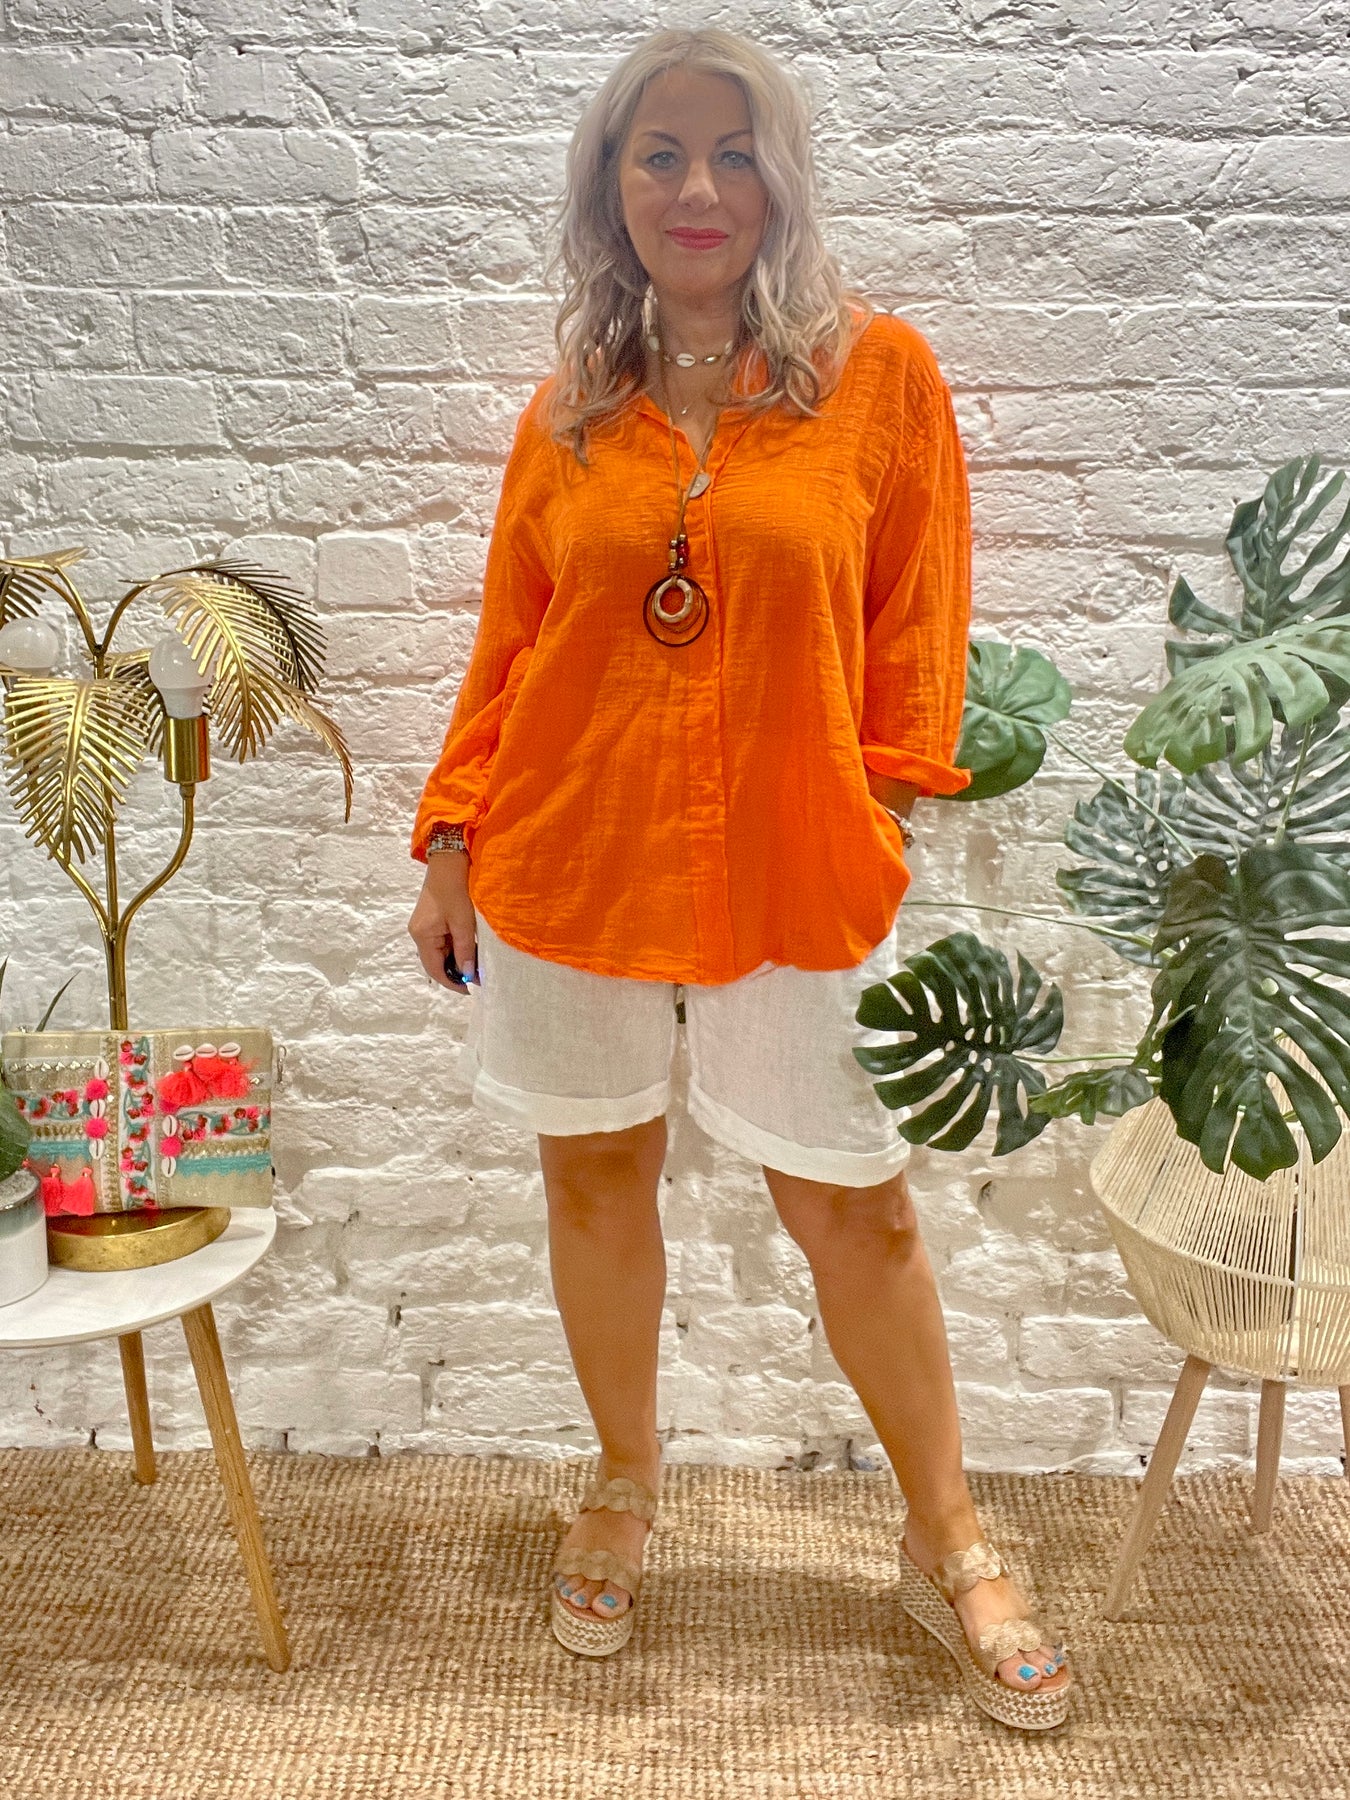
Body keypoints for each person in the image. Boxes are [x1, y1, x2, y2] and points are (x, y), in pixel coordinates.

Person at [407, 26, 1074, 1731]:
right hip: (572, 853)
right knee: (592, 1181)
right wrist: (452, 834)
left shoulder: (877, 379)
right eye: (659, 154)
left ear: (778, 178)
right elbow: (510, 645)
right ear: (610, 189)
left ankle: (946, 1535)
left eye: (730, 152)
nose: (696, 187)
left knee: (854, 1202)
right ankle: (623, 1483)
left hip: (794, 862)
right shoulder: (571, 413)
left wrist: (879, 811)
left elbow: (916, 626)